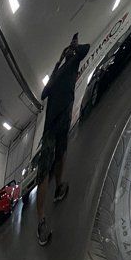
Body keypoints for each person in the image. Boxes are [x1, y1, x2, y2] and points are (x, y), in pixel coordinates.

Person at [36, 33, 90, 246]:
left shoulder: (76, 59)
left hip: (63, 120)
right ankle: (41, 220)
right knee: (43, 174)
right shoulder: (59, 69)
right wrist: (59, 59)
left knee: (62, 154)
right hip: (51, 126)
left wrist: (72, 49)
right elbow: (43, 94)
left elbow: (85, 49)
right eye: (71, 47)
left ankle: (59, 187)